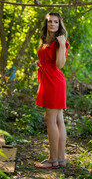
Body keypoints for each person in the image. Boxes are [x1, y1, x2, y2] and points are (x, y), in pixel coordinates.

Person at [35, 12, 69, 169]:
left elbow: (60, 64)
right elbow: (46, 60)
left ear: (59, 24)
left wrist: (62, 45)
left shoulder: (59, 41)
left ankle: (52, 160)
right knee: (58, 119)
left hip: (55, 82)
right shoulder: (44, 39)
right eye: (50, 21)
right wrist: (41, 62)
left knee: (50, 119)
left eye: (56, 22)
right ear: (46, 23)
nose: (52, 24)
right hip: (47, 80)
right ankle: (60, 159)